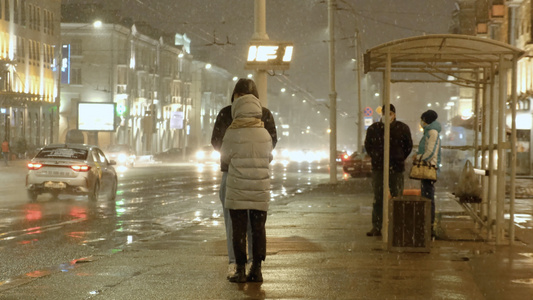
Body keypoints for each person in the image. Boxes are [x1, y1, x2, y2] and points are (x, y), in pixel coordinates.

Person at [211, 78, 277, 280]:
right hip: (257, 177)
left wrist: (239, 156)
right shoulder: (263, 116)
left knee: (235, 224)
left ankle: (238, 266)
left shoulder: (228, 115)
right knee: (255, 226)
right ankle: (253, 268)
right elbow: (271, 144)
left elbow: (219, 144)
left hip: (233, 175)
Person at [364, 104, 413, 237]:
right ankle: (377, 226)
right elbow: (368, 145)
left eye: (390, 113)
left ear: (394, 114)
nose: (388, 115)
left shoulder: (402, 128)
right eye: (385, 113)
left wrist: (399, 157)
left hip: (396, 168)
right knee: (378, 197)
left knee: (397, 197)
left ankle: (397, 225)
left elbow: (408, 146)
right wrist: (376, 156)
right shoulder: (374, 129)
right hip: (379, 167)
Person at [414, 110, 441, 237]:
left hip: (429, 167)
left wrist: (418, 157)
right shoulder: (430, 132)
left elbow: (430, 153)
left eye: (422, 119)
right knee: (427, 195)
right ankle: (428, 224)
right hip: (428, 167)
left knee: (428, 197)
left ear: (426, 120)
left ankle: (429, 226)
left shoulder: (432, 133)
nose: (421, 122)